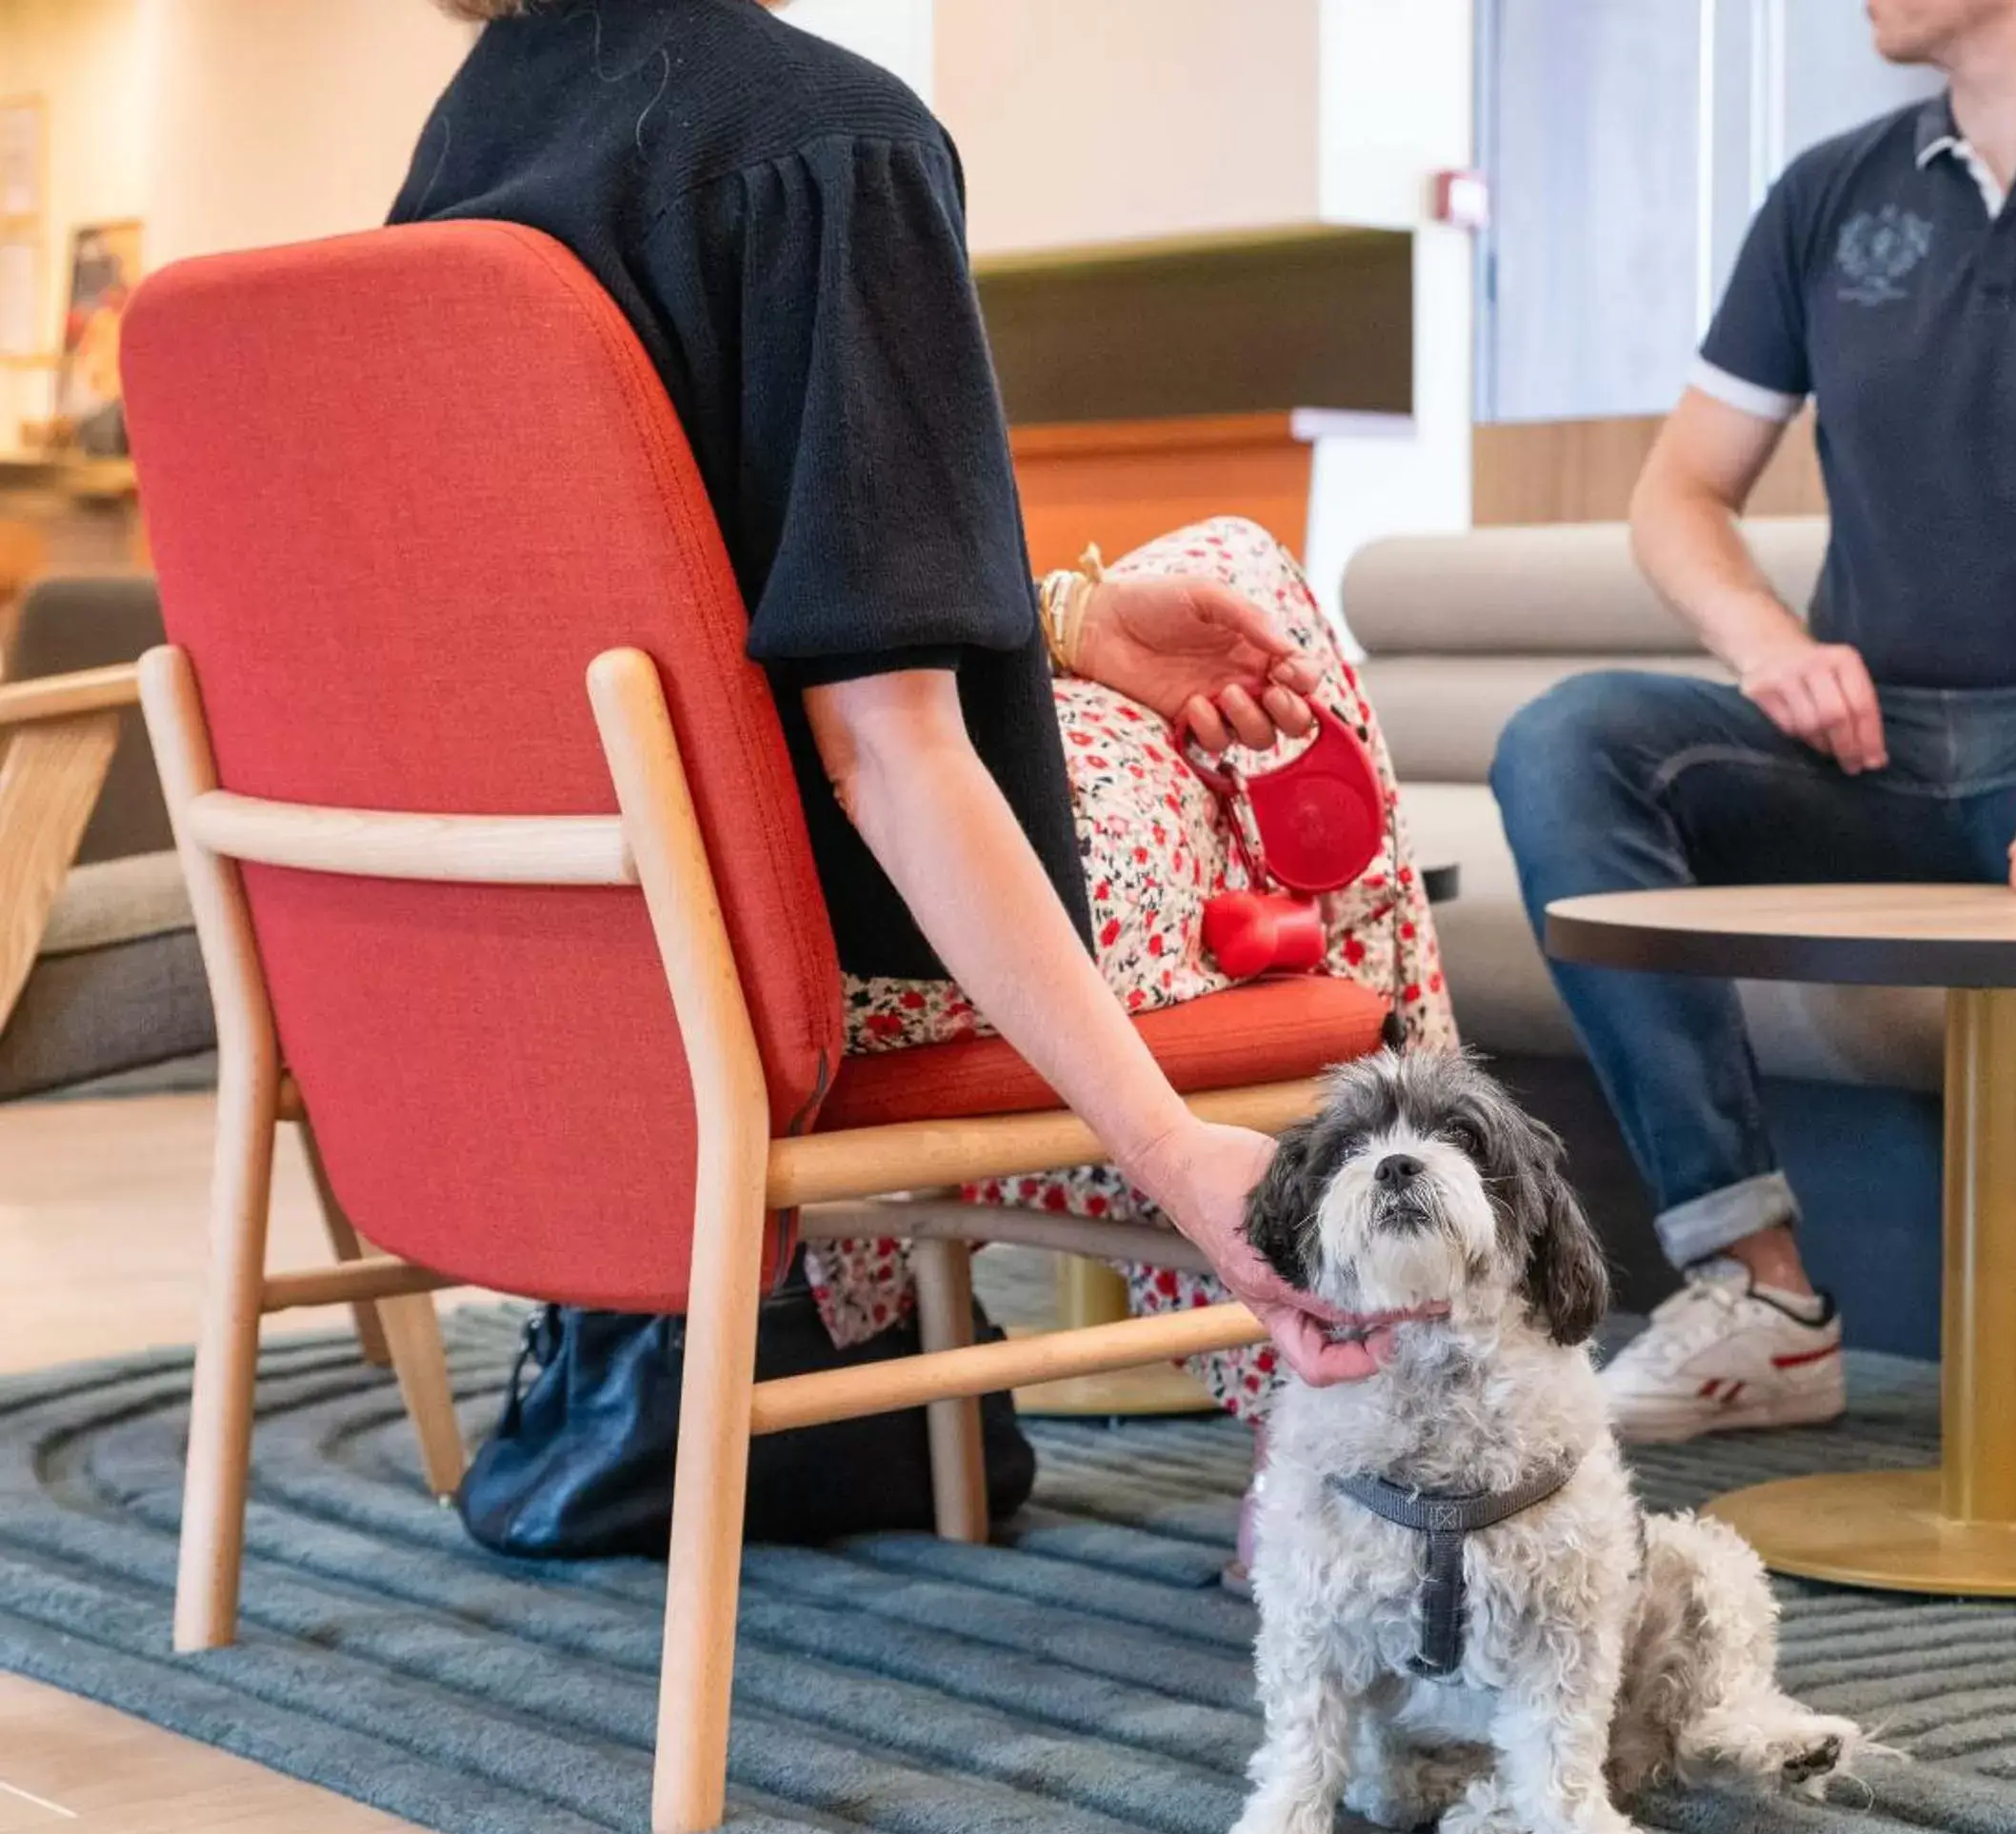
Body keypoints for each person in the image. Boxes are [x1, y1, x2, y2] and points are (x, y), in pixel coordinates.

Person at [399, 0, 1450, 1560]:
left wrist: (1072, 624)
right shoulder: (831, 138)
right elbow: (886, 755)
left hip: (566, 945)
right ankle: (1385, 1413)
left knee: (1165, 610)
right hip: (817, 969)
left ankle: (1304, 1377)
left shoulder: (464, 155)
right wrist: (1170, 1148)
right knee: (1244, 577)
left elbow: (677, 600)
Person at [1491, 0, 2016, 1484]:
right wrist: (1767, 643)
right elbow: (1678, 493)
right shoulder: (1827, 193)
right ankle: (1755, 1288)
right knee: (1569, 740)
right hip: (1861, 757)